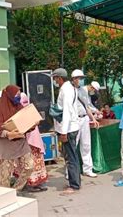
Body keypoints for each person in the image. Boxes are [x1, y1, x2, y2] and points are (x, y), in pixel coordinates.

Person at [0, 86, 34, 193]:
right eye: (16, 94)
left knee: (29, 166)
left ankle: (16, 189)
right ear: (9, 95)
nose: (18, 96)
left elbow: (26, 122)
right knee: (5, 176)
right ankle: (5, 195)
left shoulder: (19, 107)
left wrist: (33, 123)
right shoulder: (1, 110)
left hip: (21, 143)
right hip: (7, 146)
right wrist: (8, 133)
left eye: (19, 93)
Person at [52, 68, 81, 196]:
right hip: (69, 127)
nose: (54, 81)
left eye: (55, 78)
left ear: (59, 78)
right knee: (71, 156)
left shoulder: (67, 89)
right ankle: (73, 181)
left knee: (71, 158)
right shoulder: (69, 88)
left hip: (69, 129)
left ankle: (74, 185)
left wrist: (64, 132)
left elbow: (67, 112)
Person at [13, 93, 48, 192]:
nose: (25, 104)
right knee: (27, 163)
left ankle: (37, 182)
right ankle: (29, 183)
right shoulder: (17, 113)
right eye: (22, 102)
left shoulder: (30, 110)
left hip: (34, 140)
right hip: (25, 142)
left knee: (36, 162)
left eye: (25, 101)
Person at [72, 69, 99, 178]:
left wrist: (93, 118)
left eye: (82, 78)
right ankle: (70, 172)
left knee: (86, 145)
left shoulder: (83, 91)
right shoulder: (70, 90)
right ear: (74, 79)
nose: (81, 80)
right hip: (75, 120)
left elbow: (87, 107)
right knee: (74, 145)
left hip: (85, 119)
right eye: (79, 78)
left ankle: (87, 169)